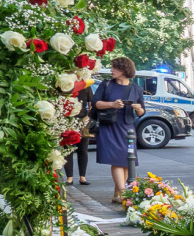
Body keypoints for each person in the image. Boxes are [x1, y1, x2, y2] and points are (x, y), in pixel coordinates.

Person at [93, 56, 147, 202]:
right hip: (109, 125)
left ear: (124, 70)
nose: (111, 70)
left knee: (127, 161)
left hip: (127, 127)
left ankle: (117, 193)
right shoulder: (107, 84)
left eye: (115, 68)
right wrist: (112, 104)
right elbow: (96, 103)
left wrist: (138, 108)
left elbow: (142, 112)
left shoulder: (136, 89)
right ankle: (124, 194)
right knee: (116, 160)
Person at [63, 81, 93, 186]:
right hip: (68, 120)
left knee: (83, 149)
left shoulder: (86, 86)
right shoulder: (66, 84)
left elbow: (91, 104)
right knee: (68, 149)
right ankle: (69, 177)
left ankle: (82, 177)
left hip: (83, 120)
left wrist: (88, 116)